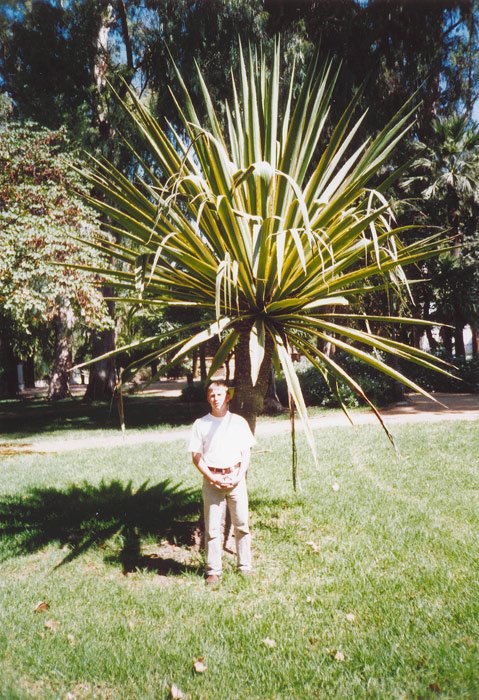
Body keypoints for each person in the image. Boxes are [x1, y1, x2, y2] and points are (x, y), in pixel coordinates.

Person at [189, 380, 255, 584]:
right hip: (213, 481)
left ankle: (244, 566)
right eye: (211, 395)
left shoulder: (239, 422)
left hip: (236, 479)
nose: (215, 398)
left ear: (228, 397)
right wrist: (212, 477)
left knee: (242, 524)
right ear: (208, 398)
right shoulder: (201, 424)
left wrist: (239, 475)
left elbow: (246, 453)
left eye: (219, 394)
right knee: (213, 529)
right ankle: (213, 570)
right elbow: (196, 456)